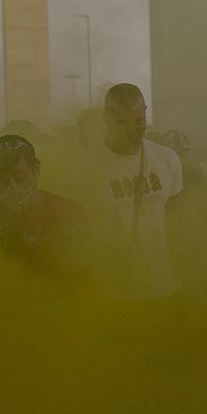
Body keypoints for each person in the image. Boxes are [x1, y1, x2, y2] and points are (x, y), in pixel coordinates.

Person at [85, 83, 185, 303]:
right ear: (106, 119)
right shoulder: (88, 166)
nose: (132, 128)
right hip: (118, 293)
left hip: (168, 286)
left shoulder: (167, 158)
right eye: (122, 122)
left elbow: (178, 219)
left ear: (145, 114)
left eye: (139, 121)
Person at [0, 133, 89, 278]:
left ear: (36, 169)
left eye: (20, 178)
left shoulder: (67, 209)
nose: (13, 187)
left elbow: (83, 265)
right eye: (3, 182)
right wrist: (0, 219)